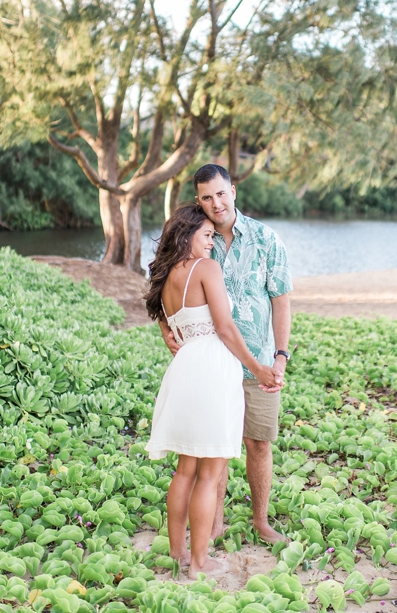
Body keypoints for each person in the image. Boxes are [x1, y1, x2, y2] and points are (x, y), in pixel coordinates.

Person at [159, 164, 293, 545]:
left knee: (259, 442)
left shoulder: (267, 239)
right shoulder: (196, 238)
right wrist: (165, 327)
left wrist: (280, 356)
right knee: (211, 446)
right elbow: (163, 280)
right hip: (212, 365)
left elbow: (281, 302)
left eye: (220, 193)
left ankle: (261, 521)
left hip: (259, 360)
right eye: (206, 197)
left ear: (233, 190)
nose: (215, 203)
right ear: (198, 200)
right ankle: (213, 524)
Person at [145, 204, 278, 578]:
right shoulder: (205, 268)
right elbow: (224, 327)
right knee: (209, 472)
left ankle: (178, 553)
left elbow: (167, 321)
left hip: (184, 367)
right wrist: (257, 368)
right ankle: (200, 562)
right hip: (213, 369)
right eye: (206, 235)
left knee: (185, 469)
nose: (211, 242)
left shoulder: (167, 274)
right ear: (187, 235)